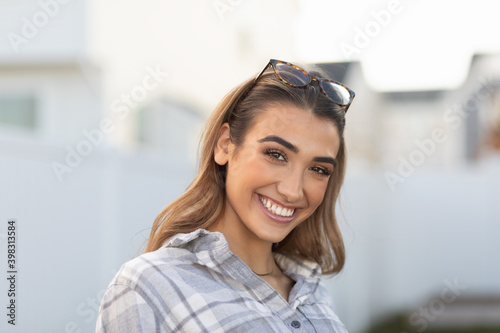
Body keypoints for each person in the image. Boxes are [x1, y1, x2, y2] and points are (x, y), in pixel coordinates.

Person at [96, 59, 355, 332]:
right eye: (276, 155)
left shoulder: (313, 292)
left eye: (318, 169)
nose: (292, 190)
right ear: (225, 145)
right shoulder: (147, 288)